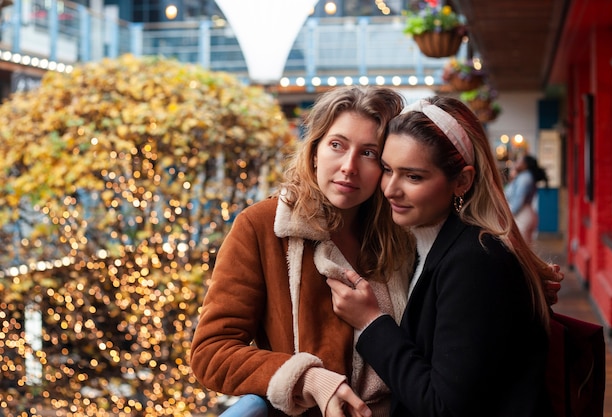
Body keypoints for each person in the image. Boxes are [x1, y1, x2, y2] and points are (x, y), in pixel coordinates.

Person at [190, 85, 417, 417]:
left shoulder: (401, 235)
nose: (349, 166)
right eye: (337, 145)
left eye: (368, 153)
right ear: (314, 151)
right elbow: (211, 353)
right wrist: (306, 378)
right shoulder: (262, 226)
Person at [327, 97, 556, 417]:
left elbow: (443, 406)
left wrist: (371, 323)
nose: (390, 189)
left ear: (462, 181)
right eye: (388, 169)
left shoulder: (475, 262)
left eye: (413, 177)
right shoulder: (430, 247)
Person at [505, 153, 548, 243]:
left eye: (519, 161)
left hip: (522, 215)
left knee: (520, 249)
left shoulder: (524, 178)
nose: (516, 163)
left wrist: (508, 215)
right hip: (527, 213)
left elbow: (519, 199)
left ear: (525, 165)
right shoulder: (525, 177)